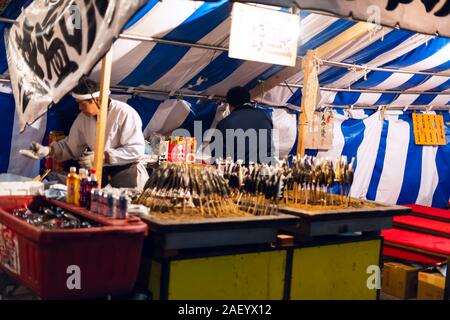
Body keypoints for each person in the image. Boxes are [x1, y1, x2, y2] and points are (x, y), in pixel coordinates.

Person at [21, 78, 149, 190]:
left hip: (126, 175)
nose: (79, 108)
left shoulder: (124, 113)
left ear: (98, 100)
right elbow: (71, 146)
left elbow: (135, 150)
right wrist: (48, 150)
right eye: (78, 104)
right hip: (101, 175)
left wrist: (103, 157)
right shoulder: (83, 118)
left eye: (82, 104)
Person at [214, 86, 274, 164]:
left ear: (230, 105)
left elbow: (216, 154)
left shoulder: (224, 123)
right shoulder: (265, 116)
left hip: (240, 171)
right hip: (267, 169)